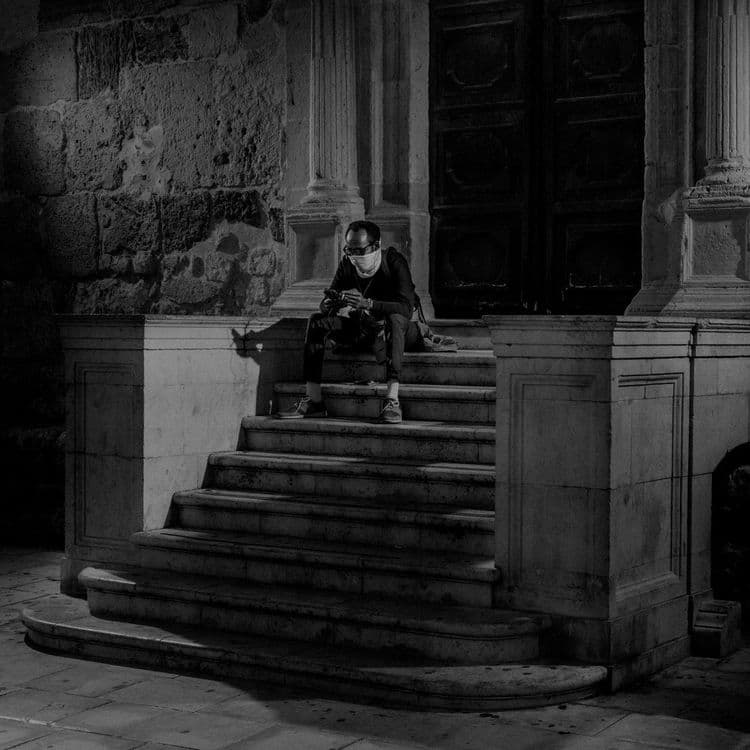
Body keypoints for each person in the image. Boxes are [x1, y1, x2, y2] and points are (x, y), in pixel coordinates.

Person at [277, 220, 421, 424]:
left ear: (376, 245)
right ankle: (314, 400)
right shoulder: (348, 263)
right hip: (364, 330)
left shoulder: (394, 261)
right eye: (349, 250)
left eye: (360, 250)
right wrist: (330, 303)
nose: (354, 256)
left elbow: (406, 308)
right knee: (317, 321)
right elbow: (328, 299)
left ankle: (392, 399)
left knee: (395, 319)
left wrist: (368, 303)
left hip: (398, 332)